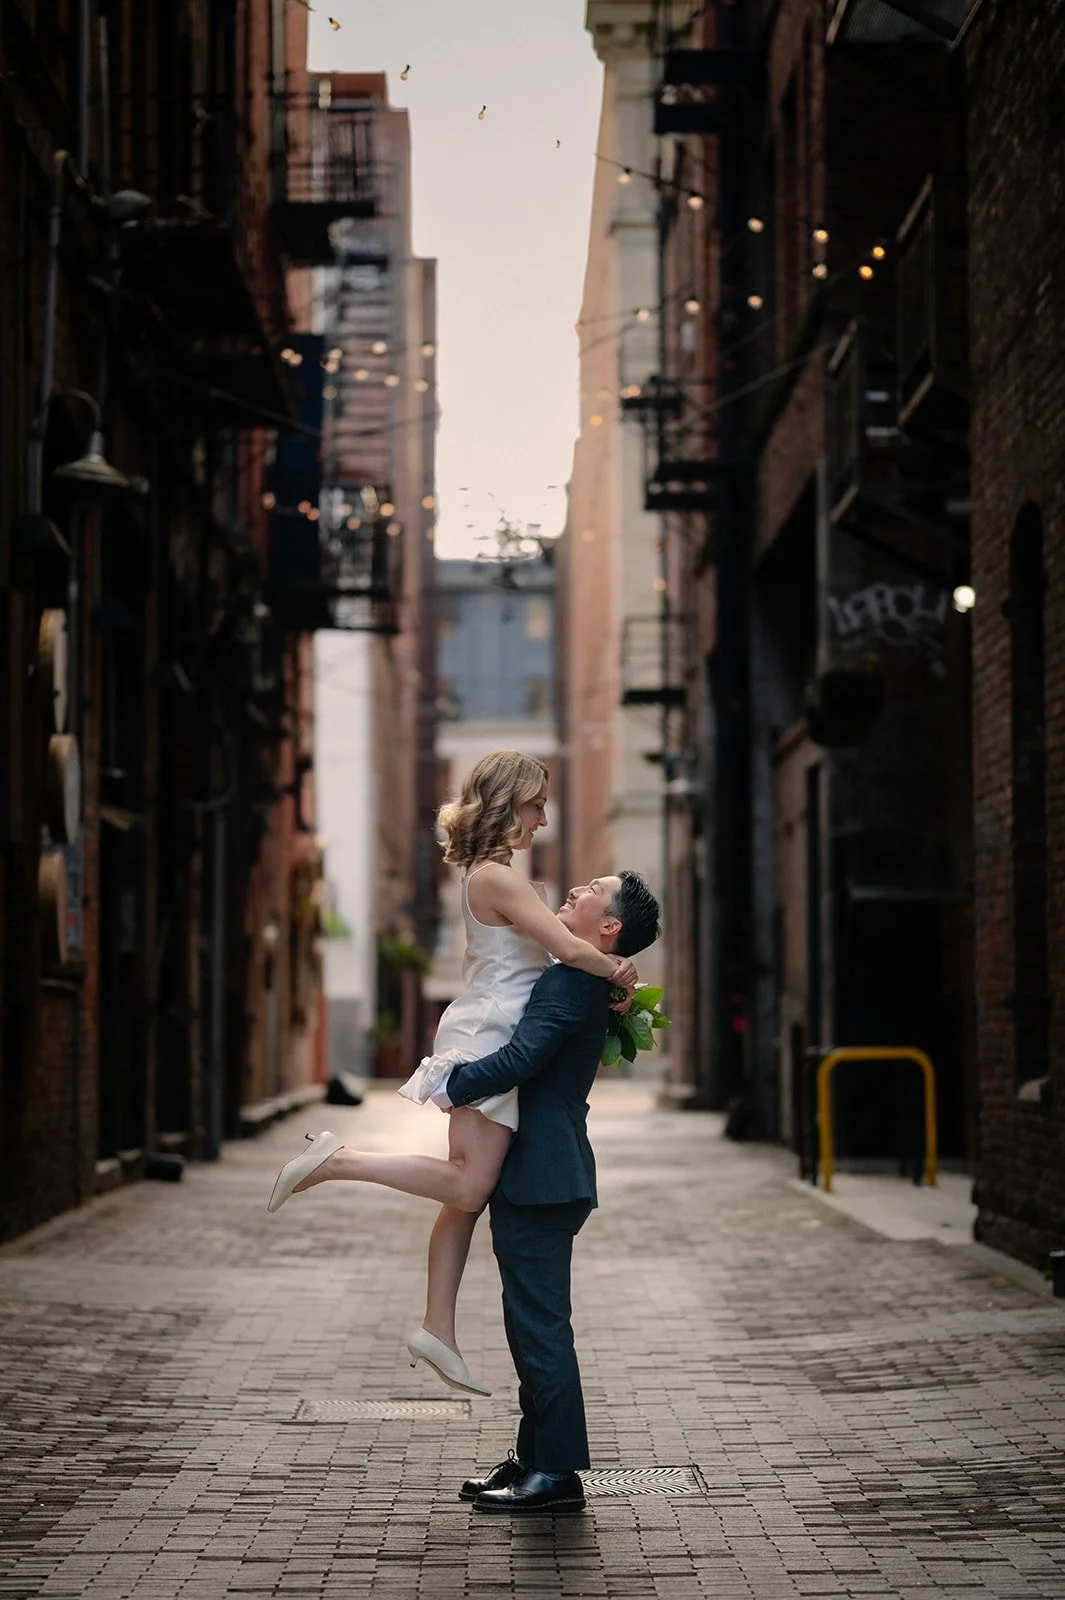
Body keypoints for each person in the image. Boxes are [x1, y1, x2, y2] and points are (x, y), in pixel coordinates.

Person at [265, 750, 639, 1396]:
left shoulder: (499, 874)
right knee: (469, 1187)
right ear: (510, 801)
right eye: (536, 804)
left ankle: (437, 1326)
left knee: (461, 1199)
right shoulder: (495, 876)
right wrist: (619, 972)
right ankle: (338, 1161)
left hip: (488, 1022)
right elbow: (567, 948)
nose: (544, 818)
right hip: (489, 1030)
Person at [443, 868, 661, 1513]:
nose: (574, 890)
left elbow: (521, 1060)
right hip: (540, 1172)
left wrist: (447, 1084)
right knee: (528, 1323)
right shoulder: (580, 973)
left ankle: (559, 1471)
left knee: (540, 1329)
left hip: (544, 1174)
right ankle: (534, 1456)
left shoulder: (571, 979)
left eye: (591, 889)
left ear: (610, 926)